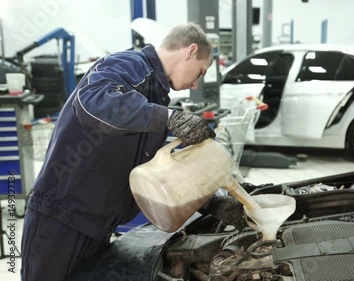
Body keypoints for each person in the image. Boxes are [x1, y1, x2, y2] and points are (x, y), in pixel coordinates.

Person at [20, 23, 245, 281]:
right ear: (190, 51)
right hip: (60, 217)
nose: (195, 84)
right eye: (200, 73)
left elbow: (149, 169)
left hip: (95, 224)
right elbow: (94, 100)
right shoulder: (130, 65)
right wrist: (169, 118)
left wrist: (209, 202)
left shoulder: (156, 96)